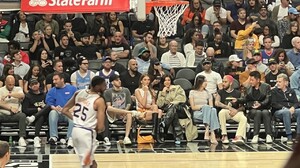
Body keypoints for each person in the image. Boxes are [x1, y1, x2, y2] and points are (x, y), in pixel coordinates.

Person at [62, 76, 106, 168]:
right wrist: (99, 129)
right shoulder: (99, 100)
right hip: (87, 133)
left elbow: (64, 110)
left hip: (75, 131)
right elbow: (101, 126)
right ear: (98, 87)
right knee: (87, 165)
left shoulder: (78, 93)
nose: (105, 86)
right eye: (104, 85)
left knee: (93, 164)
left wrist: (78, 121)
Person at [234, 71, 273, 143]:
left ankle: (269, 135)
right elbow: (245, 99)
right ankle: (255, 135)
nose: (250, 82)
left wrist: (260, 104)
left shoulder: (266, 86)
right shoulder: (248, 88)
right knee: (257, 112)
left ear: (258, 80)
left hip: (264, 107)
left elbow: (268, 99)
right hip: (252, 110)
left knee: (265, 112)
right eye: (250, 80)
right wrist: (237, 100)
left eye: (252, 80)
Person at [46, 72, 77, 147]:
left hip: (68, 112)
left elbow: (79, 100)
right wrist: (55, 108)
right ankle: (53, 137)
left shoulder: (72, 89)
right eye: (53, 80)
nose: (54, 82)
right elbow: (49, 103)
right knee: (52, 112)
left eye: (56, 80)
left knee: (74, 116)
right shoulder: (52, 90)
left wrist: (73, 108)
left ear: (62, 79)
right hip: (58, 112)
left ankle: (70, 138)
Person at [103, 74, 135, 145]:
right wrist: (120, 112)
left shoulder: (126, 90)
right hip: (113, 114)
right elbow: (108, 106)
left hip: (124, 113)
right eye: (117, 80)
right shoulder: (107, 92)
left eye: (119, 80)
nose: (119, 81)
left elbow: (128, 104)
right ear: (112, 82)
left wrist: (124, 113)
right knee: (109, 108)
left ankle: (126, 137)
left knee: (129, 114)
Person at [215, 75, 247, 144]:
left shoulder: (238, 93)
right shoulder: (220, 92)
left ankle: (238, 137)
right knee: (221, 112)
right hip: (226, 111)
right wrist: (229, 108)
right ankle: (224, 135)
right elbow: (217, 103)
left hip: (236, 112)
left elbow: (242, 107)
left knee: (243, 118)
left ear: (231, 83)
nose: (223, 83)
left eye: (225, 82)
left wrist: (236, 111)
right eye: (222, 82)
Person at [270, 73, 300, 144]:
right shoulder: (274, 91)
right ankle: (289, 136)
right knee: (286, 112)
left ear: (286, 82)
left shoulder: (291, 91)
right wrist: (284, 108)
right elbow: (274, 103)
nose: (277, 83)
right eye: (277, 82)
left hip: (291, 110)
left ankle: (298, 136)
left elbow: (296, 103)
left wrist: (293, 107)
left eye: (279, 82)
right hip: (279, 112)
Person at [156, 74, 186, 144]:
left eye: (169, 80)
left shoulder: (177, 88)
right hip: (170, 111)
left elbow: (182, 98)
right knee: (173, 113)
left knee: (174, 107)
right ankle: (178, 137)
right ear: (162, 82)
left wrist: (172, 103)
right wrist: (163, 92)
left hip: (180, 108)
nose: (167, 82)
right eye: (165, 80)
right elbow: (160, 104)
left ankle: (164, 124)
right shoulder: (161, 92)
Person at [189, 75, 219, 144]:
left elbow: (211, 107)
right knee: (206, 107)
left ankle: (209, 131)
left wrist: (206, 107)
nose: (206, 83)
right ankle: (211, 132)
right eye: (205, 81)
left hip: (207, 114)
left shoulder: (208, 93)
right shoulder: (192, 92)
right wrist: (203, 106)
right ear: (200, 82)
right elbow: (193, 107)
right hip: (197, 114)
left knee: (213, 110)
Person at [22, 78, 51, 148]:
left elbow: (48, 106)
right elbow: (25, 110)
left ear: (39, 84)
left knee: (48, 106)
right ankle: (36, 137)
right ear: (29, 87)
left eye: (36, 84)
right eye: (32, 84)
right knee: (40, 117)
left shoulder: (44, 95)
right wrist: (36, 110)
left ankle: (34, 117)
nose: (34, 85)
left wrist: (39, 111)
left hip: (43, 116)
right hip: (33, 117)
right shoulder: (28, 96)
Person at [0, 75, 26, 147]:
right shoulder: (1, 90)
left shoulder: (18, 89)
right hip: (3, 114)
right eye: (9, 85)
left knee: (22, 116)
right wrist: (10, 108)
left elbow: (22, 95)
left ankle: (21, 138)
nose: (11, 86)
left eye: (13, 84)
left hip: (15, 114)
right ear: (5, 82)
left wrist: (9, 94)